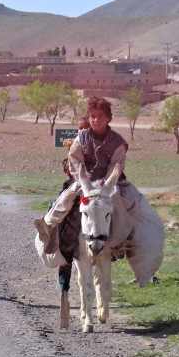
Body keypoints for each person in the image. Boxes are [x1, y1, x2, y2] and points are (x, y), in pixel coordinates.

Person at [34, 98, 133, 253]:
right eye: (92, 116)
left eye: (100, 116)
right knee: (67, 196)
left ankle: (120, 241)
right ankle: (48, 224)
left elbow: (116, 165)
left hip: (107, 184)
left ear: (108, 118)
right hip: (85, 182)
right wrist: (85, 180)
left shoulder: (118, 142)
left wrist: (105, 184)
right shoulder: (81, 138)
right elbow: (75, 160)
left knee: (124, 203)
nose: (96, 120)